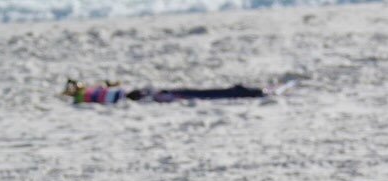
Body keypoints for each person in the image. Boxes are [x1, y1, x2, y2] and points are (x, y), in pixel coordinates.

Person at [61, 78, 279, 104]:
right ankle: (246, 92)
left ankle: (245, 92)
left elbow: (113, 85)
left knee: (196, 93)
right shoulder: (87, 95)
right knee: (196, 94)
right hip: (144, 96)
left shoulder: (89, 95)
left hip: (143, 95)